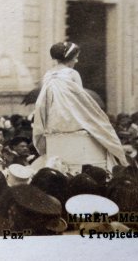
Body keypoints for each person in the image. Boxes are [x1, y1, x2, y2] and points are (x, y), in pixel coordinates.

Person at [32, 42, 128, 172]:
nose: (76, 61)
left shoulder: (48, 74)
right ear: (70, 58)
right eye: (75, 58)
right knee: (104, 130)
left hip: (53, 121)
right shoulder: (72, 73)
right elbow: (81, 101)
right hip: (73, 119)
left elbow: (44, 101)